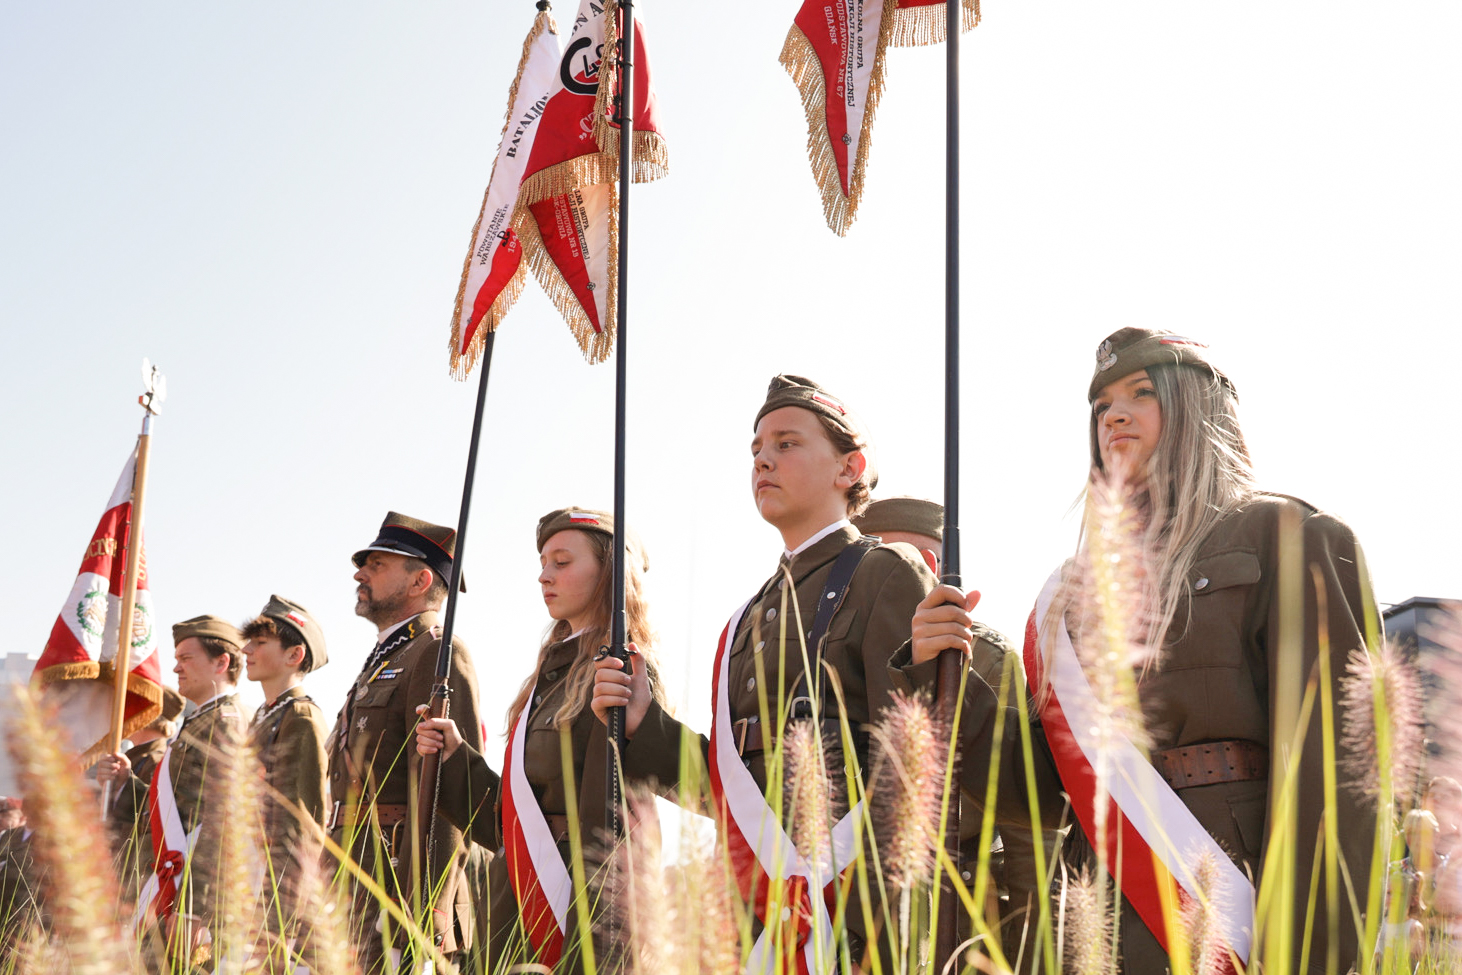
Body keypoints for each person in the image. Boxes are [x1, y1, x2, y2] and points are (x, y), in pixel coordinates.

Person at [904, 327, 1380, 973]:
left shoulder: (1289, 534)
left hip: (1233, 900)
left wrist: (1310, 955)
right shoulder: (1072, 594)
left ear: (1198, 407)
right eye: (1102, 406)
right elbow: (1041, 790)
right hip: (1095, 915)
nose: (1113, 416)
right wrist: (943, 679)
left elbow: (1339, 775)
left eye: (1142, 393)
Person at [592, 375, 937, 972]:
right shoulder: (746, 616)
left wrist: (866, 922)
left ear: (849, 467)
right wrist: (644, 723)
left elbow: (911, 764)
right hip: (750, 903)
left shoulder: (885, 572)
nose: (762, 460)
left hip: (846, 906)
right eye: (756, 449)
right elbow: (727, 783)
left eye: (786, 443)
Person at [414, 506, 671, 972]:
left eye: (562, 562)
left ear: (610, 574)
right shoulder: (548, 676)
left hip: (575, 909)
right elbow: (510, 822)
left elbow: (613, 828)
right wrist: (455, 758)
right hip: (513, 902)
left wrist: (595, 950)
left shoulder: (623, 671)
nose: (543, 576)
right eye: (543, 563)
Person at [327, 511, 482, 973]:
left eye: (377, 565)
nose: (360, 574)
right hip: (354, 878)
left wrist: (419, 912)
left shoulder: (436, 651)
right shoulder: (388, 656)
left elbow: (446, 795)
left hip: (394, 889)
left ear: (420, 581)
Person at [97, 615, 249, 963]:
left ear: (221, 663)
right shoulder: (201, 720)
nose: (177, 668)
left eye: (186, 658)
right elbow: (172, 809)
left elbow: (221, 820)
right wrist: (126, 782)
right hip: (166, 880)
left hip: (185, 891)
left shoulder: (226, 721)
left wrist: (192, 907)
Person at [239, 595, 329, 962]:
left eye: (260, 642)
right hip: (245, 882)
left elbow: (300, 826)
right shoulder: (264, 716)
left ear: (294, 655)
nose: (246, 650)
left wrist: (279, 920)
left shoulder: (300, 718)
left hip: (272, 896)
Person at [106, 687, 186, 904]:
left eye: (131, 707)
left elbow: (153, 818)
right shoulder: (138, 757)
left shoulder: (158, 761)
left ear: (147, 716)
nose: (122, 714)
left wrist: (124, 783)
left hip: (131, 877)